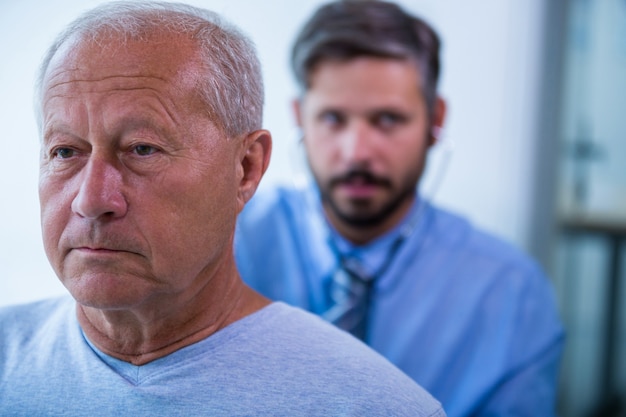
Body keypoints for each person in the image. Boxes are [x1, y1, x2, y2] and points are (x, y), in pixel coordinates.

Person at [0, 2, 447, 416]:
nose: (92, 200)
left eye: (142, 149)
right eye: (64, 152)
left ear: (246, 168)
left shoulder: (375, 405)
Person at [235, 1, 565, 416]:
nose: (357, 152)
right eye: (333, 119)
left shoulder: (509, 295)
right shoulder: (227, 245)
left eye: (388, 120)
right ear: (300, 118)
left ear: (435, 120)